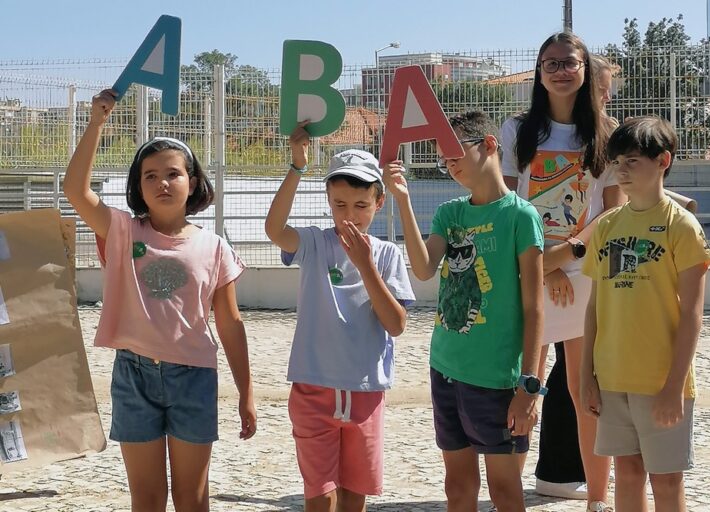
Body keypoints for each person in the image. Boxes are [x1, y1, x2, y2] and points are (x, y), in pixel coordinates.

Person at [63, 89, 257, 512]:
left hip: (194, 379)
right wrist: (96, 122)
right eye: (149, 175)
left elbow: (229, 323)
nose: (162, 182)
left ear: (193, 182)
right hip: (133, 377)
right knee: (147, 499)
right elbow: (75, 190)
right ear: (137, 187)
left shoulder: (216, 247)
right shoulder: (121, 231)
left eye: (173, 173)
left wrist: (246, 392)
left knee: (192, 499)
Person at [384, 111, 544, 512]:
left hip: (498, 380)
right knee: (457, 487)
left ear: (489, 145)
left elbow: (535, 307)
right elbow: (422, 270)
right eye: (444, 159)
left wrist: (529, 387)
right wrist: (402, 201)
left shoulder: (520, 216)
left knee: (505, 491)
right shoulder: (450, 213)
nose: (451, 165)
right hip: (446, 370)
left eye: (456, 153)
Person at [500, 33, 626, 511]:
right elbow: (509, 204)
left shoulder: (608, 134)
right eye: (549, 63)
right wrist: (542, 262)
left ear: (584, 68)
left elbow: (610, 213)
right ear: (538, 71)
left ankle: (597, 498)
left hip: (582, 271)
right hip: (529, 271)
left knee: (584, 390)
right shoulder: (517, 130)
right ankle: (508, 495)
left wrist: (565, 255)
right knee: (520, 385)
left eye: (568, 62)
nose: (559, 70)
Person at [264, 122, 415, 512]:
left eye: (361, 206)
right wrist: (297, 167)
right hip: (313, 389)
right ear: (328, 201)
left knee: (353, 496)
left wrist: (366, 266)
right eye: (340, 205)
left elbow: (396, 324)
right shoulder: (315, 242)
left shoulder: (386, 255)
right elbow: (274, 229)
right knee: (320, 495)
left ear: (379, 203)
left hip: (365, 393)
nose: (350, 215)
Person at [581, 116, 710, 512]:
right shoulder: (606, 227)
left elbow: (691, 313)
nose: (621, 170)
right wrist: (587, 375)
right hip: (612, 378)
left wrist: (674, 386)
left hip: (660, 382)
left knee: (667, 482)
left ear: (663, 161)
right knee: (627, 473)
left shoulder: (682, 226)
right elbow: (593, 308)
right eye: (617, 161)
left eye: (633, 160)